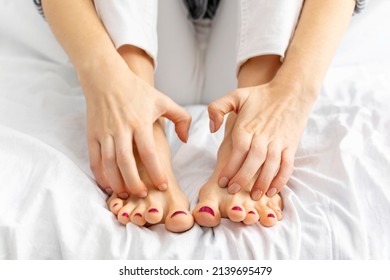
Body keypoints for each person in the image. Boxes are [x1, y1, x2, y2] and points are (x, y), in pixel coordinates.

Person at [37, 0, 366, 232]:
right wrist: (105, 82)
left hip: (253, 45)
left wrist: (292, 94)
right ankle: (137, 112)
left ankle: (253, 116)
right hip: (145, 47)